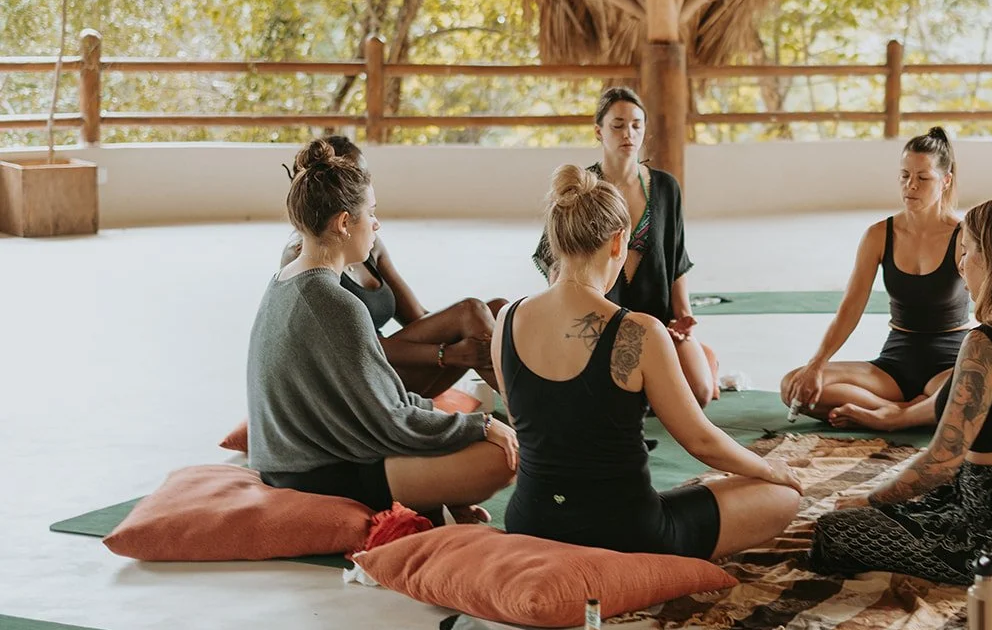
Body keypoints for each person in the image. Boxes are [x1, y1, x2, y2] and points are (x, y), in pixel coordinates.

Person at [497, 166, 802, 559]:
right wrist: (769, 469)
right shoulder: (638, 331)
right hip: (625, 530)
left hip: (530, 521)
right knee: (779, 497)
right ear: (618, 241)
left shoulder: (507, 318)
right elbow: (701, 440)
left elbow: (527, 420)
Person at [810, 197, 992, 588]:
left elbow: (941, 462)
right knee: (929, 499)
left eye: (968, 252)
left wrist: (872, 501)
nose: (961, 265)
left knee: (834, 530)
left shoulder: (985, 344)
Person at [248, 138, 518, 521]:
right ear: (344, 223)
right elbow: (391, 421)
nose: (376, 224)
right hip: (313, 474)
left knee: (475, 438)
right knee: (502, 459)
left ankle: (437, 499)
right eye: (370, 213)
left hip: (301, 457)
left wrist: (459, 426)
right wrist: (481, 425)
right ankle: (434, 497)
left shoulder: (287, 279)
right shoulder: (335, 302)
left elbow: (385, 401)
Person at [533, 89, 718, 406]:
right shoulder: (582, 188)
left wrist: (683, 316)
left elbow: (676, 262)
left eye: (636, 125)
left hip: (659, 323)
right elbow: (554, 262)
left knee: (698, 393)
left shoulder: (666, 187)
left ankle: (700, 357)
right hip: (597, 322)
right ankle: (687, 364)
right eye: (617, 125)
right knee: (605, 397)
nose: (628, 134)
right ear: (599, 131)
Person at [280, 136, 504, 398]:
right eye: (358, 176)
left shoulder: (369, 244)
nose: (366, 185)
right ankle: (533, 422)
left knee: (498, 311)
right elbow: (352, 347)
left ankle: (536, 406)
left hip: (392, 362)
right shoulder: (308, 257)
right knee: (471, 312)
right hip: (360, 376)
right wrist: (447, 353)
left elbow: (417, 316)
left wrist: (475, 333)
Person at [780, 128, 973, 428]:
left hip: (949, 365)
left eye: (923, 178)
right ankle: (901, 411)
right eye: (904, 175)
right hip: (893, 366)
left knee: (976, 395)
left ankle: (895, 414)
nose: (911, 185)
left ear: (945, 181)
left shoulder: (964, 236)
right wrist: (816, 364)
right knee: (794, 385)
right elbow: (850, 308)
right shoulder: (878, 235)